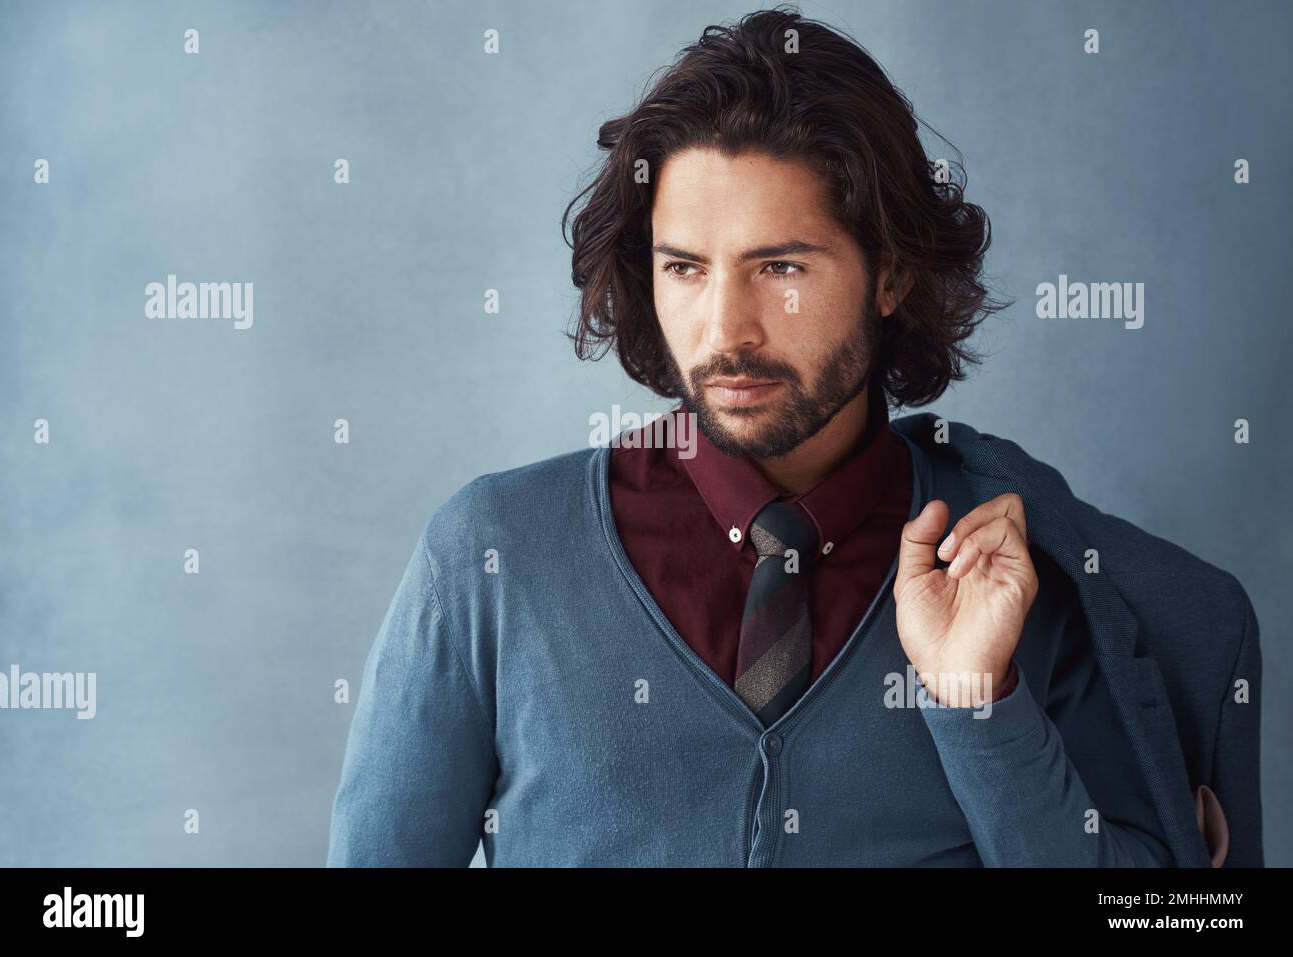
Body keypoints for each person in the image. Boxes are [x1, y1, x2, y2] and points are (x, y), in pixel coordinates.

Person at [327, 7, 1261, 867]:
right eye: (686, 268)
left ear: (889, 275)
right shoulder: (492, 555)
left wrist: (979, 701)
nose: (726, 327)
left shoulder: (1016, 574)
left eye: (780, 267)